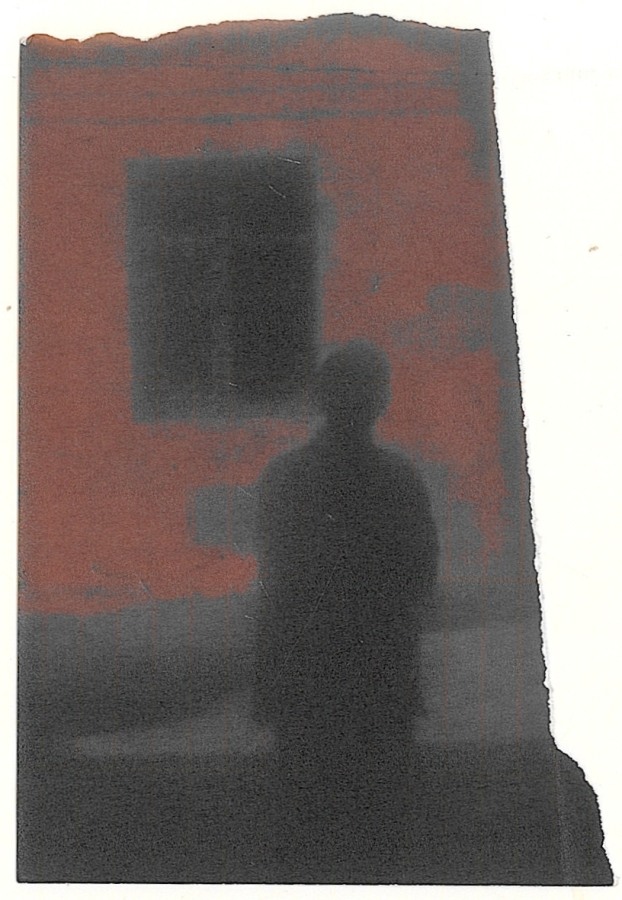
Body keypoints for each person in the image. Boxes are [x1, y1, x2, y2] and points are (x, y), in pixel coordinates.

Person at [253, 340, 439, 754]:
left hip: (314, 672)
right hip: (372, 670)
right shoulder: (397, 478)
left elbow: (277, 583)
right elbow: (420, 576)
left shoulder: (287, 475)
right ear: (383, 401)